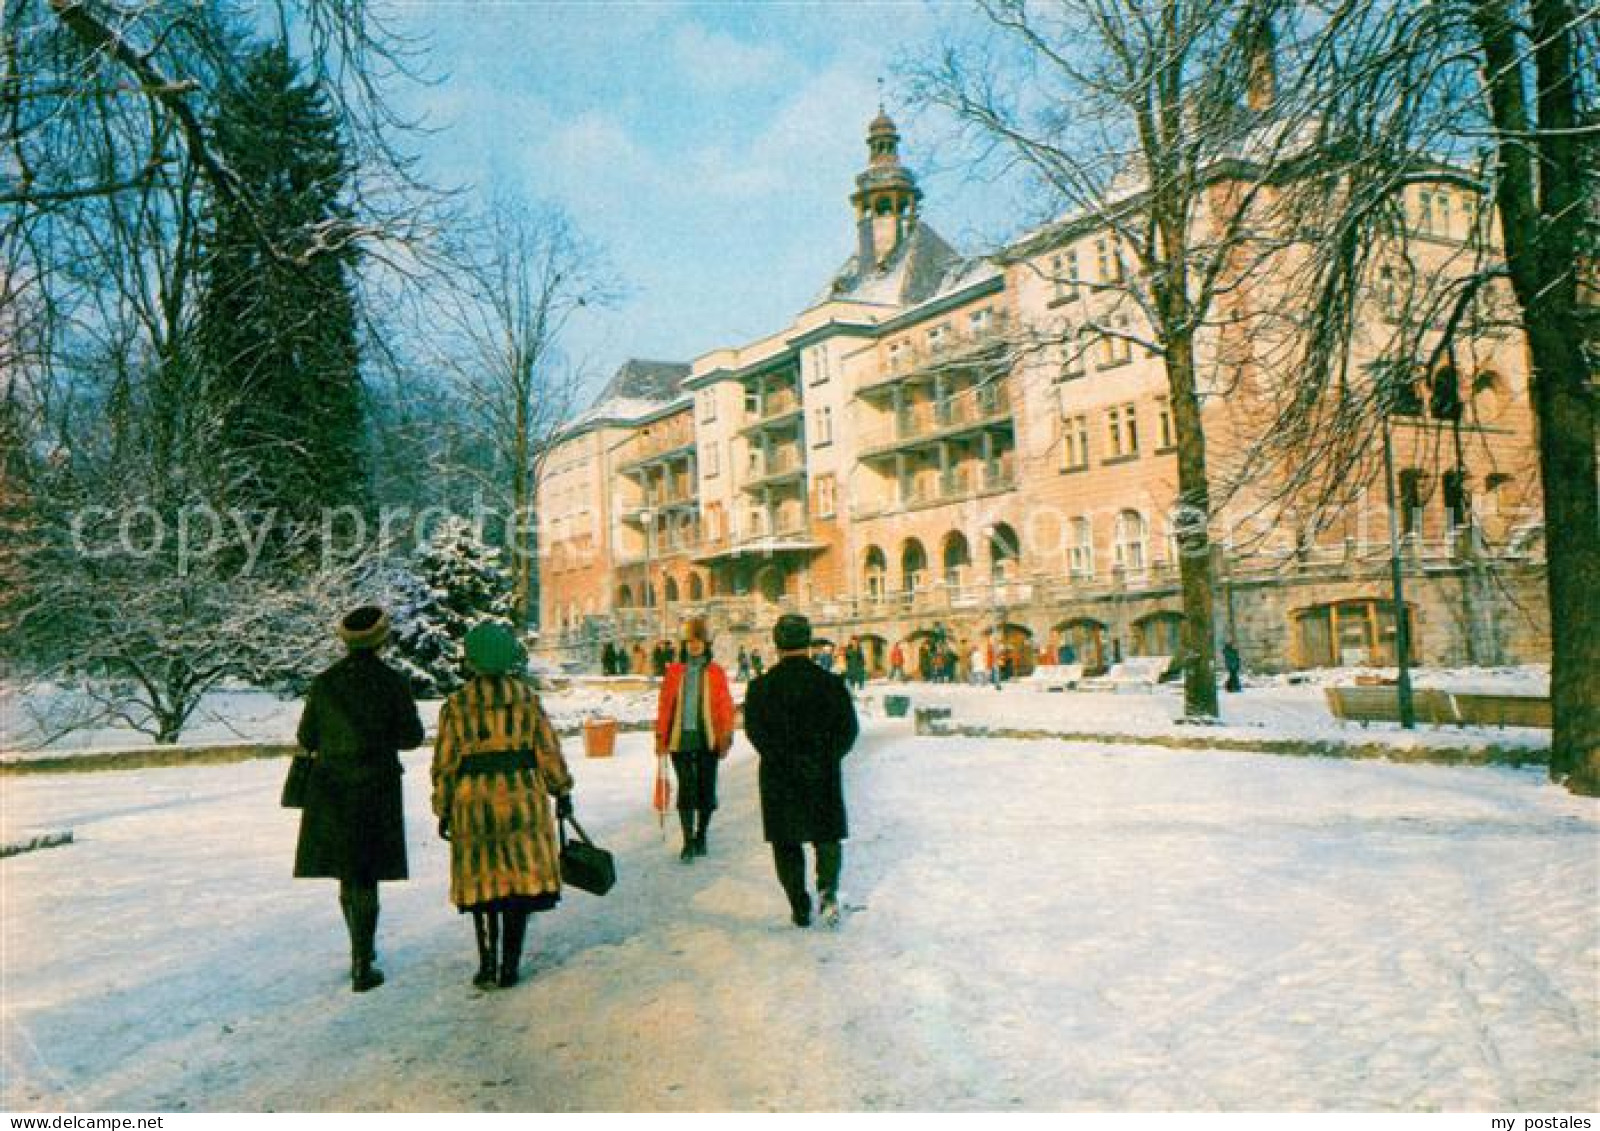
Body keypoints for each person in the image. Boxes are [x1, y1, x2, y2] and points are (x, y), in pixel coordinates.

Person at [432, 622, 575, 990]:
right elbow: (547, 751)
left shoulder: (456, 705)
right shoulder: (526, 700)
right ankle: (510, 965)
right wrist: (561, 790)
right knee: (517, 886)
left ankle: (485, 964)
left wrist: (444, 807)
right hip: (521, 801)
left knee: (481, 885)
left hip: (473, 802)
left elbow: (446, 764)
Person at [293, 605, 424, 993]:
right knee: (367, 874)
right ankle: (362, 960)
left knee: (348, 873)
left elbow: (307, 737)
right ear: (382, 640)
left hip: (330, 788)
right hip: (375, 789)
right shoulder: (392, 682)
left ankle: (359, 953)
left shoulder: (324, 683)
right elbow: (411, 738)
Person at [743, 614, 860, 929]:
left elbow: (755, 733)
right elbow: (848, 731)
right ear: (809, 641)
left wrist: (781, 758)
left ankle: (798, 903)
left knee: (786, 841)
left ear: (776, 643)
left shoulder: (760, 688)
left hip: (780, 777)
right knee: (827, 836)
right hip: (822, 772)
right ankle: (827, 890)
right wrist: (827, 758)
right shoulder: (831, 684)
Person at [654, 616, 737, 861]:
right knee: (687, 790)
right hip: (679, 740)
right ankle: (688, 840)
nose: (694, 646)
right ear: (684, 644)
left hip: (707, 739)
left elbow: (724, 705)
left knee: (706, 790)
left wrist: (726, 734)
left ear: (706, 644)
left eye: (698, 641)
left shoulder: (715, 672)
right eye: (690, 641)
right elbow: (664, 705)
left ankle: (702, 835)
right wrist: (661, 734)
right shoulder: (674, 672)